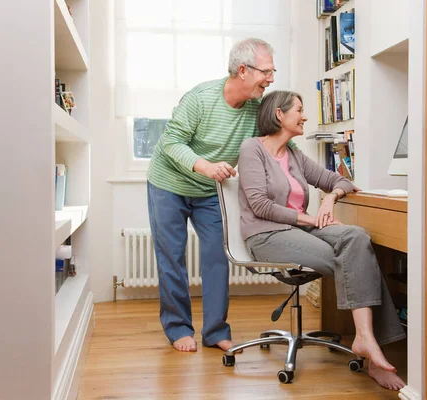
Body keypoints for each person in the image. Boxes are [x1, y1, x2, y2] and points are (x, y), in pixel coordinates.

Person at [237, 90, 406, 391]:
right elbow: (260, 205)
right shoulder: (252, 149)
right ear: (279, 114)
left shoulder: (295, 155)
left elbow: (343, 181)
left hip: (300, 229)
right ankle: (370, 353)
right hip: (266, 234)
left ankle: (365, 339)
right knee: (353, 262)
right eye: (299, 110)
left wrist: (330, 198)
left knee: (356, 236)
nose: (304, 116)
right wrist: (313, 219)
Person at [146, 38, 277, 353]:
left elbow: (279, 142)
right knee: (172, 257)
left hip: (209, 192)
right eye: (267, 72)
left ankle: (216, 331)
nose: (271, 79)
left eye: (274, 72)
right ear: (242, 70)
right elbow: (171, 142)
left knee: (219, 257)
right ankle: (178, 328)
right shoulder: (200, 99)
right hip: (168, 184)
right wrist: (204, 166)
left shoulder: (257, 110)